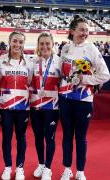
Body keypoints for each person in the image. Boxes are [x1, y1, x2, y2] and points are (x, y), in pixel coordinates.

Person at [59, 15, 110, 180]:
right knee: (67, 135)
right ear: (72, 31)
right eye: (81, 30)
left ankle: (80, 171)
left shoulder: (92, 49)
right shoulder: (65, 48)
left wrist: (85, 80)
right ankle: (67, 169)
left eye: (87, 31)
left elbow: (105, 75)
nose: (85, 33)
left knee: (80, 137)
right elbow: (61, 72)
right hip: (65, 98)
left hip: (83, 100)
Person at [0, 31, 34, 180]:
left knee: (21, 137)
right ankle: (7, 167)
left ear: (23, 44)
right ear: (9, 42)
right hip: (5, 107)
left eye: (20, 42)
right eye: (15, 41)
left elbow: (30, 82)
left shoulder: (29, 63)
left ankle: (19, 168)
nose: (17, 44)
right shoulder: (0, 61)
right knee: (6, 137)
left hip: (23, 107)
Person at [30, 32, 61, 180]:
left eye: (47, 43)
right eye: (41, 44)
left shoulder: (60, 62)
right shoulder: (33, 62)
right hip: (36, 106)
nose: (44, 46)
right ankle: (41, 163)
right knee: (38, 137)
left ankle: (48, 168)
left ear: (53, 44)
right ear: (38, 45)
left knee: (50, 138)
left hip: (52, 107)